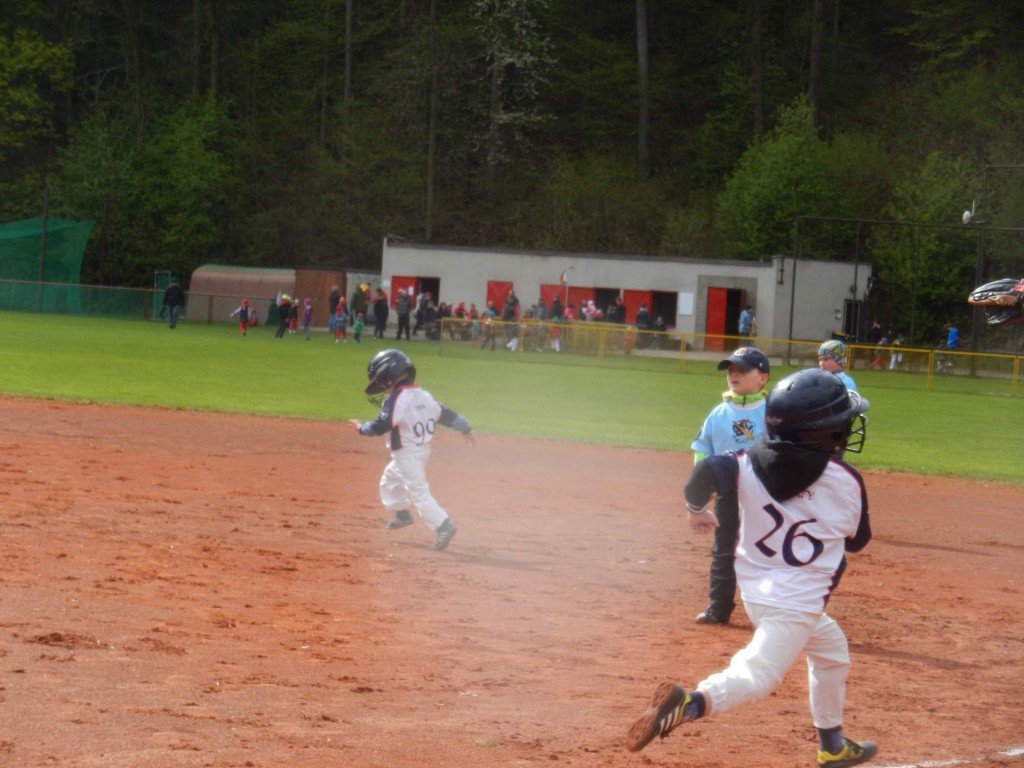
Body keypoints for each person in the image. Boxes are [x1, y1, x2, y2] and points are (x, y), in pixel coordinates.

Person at [625, 368, 875, 768]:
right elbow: (858, 541)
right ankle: (691, 703)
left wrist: (696, 509)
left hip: (758, 592)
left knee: (831, 651)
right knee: (758, 675)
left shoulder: (742, 462)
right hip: (796, 604)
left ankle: (832, 745)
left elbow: (701, 475)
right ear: (822, 432)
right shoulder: (844, 480)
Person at [348, 349, 475, 551]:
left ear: (388, 376)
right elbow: (446, 415)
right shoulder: (422, 395)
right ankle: (401, 513)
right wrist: (465, 428)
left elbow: (383, 425)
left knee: (419, 493)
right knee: (389, 480)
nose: (381, 386)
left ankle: (443, 526)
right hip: (420, 451)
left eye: (381, 381)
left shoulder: (397, 399)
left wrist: (362, 428)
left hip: (406, 454)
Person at [689, 347, 771, 626]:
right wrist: (703, 485)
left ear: (762, 378)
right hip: (728, 492)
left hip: (764, 494)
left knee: (765, 549)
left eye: (742, 369)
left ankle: (771, 608)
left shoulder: (772, 412)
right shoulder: (719, 413)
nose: (733, 374)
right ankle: (718, 607)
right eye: (730, 369)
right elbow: (702, 451)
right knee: (723, 549)